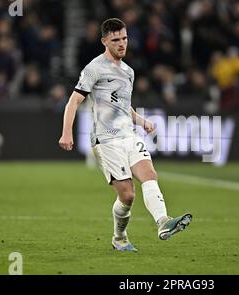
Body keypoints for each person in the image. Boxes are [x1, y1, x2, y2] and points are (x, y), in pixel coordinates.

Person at [58, 18, 192, 252]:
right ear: (104, 41)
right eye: (116, 40)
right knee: (128, 196)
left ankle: (163, 222)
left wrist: (141, 121)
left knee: (149, 175)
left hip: (129, 136)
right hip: (106, 140)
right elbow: (73, 101)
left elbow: (123, 105)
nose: (122, 44)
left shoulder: (128, 72)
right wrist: (66, 133)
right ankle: (119, 238)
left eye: (124, 38)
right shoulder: (94, 68)